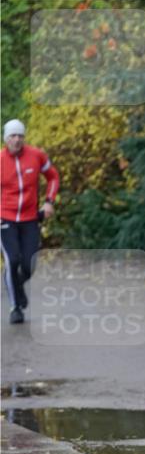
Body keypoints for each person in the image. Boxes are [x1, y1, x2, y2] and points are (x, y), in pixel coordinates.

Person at [1, 119, 59, 324]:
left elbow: (53, 177)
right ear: (6, 139)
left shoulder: (36, 155)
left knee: (29, 264)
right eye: (13, 136)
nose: (17, 140)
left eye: (20, 136)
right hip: (5, 219)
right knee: (12, 260)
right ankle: (15, 308)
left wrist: (49, 202)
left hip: (30, 218)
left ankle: (15, 284)